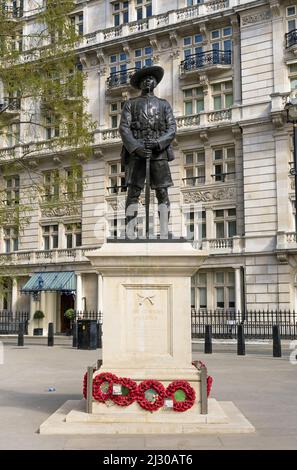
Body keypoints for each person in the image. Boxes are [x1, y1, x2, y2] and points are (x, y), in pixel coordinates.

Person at [119, 66, 176, 238]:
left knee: (162, 192)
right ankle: (130, 230)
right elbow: (124, 128)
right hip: (137, 154)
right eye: (144, 79)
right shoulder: (130, 104)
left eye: (151, 79)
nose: (148, 81)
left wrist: (158, 143)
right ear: (140, 84)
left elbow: (171, 128)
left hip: (159, 154)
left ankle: (164, 230)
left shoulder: (164, 105)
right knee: (133, 192)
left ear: (155, 83)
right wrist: (137, 147)